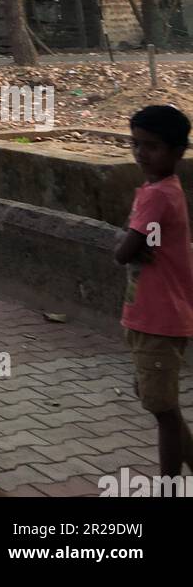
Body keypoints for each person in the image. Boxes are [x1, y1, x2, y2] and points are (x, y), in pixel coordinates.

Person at [114, 104, 193, 480]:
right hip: (152, 315)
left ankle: (169, 484)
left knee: (162, 409)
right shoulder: (160, 189)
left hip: (159, 317)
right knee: (160, 402)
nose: (141, 154)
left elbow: (123, 252)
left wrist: (125, 242)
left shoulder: (157, 195)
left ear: (179, 151)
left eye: (152, 146)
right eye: (136, 144)